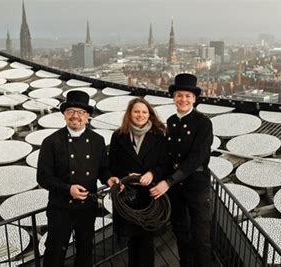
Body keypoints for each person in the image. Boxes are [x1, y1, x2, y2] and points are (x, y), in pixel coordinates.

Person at [37, 90, 114, 267]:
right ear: (64, 115)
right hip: (60, 208)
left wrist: (110, 180)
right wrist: (68, 189)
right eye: (70, 111)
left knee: (85, 250)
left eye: (80, 112)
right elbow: (43, 177)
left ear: (87, 116)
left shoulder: (97, 140)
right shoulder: (51, 141)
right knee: (55, 251)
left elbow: (103, 169)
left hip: (87, 208)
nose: (75, 116)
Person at [150, 73, 214, 267]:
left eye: (188, 96)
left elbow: (197, 158)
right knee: (181, 232)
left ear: (194, 99)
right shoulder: (170, 122)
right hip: (177, 189)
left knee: (201, 237)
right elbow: (168, 157)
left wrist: (168, 181)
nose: (183, 99)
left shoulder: (203, 123)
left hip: (196, 186)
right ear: (174, 98)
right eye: (179, 95)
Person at [106, 98, 168, 267]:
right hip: (128, 197)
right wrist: (126, 175)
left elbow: (164, 165)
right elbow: (112, 164)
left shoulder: (158, 135)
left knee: (147, 243)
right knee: (132, 243)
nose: (140, 115)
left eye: (144, 112)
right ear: (130, 114)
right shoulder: (118, 136)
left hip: (149, 198)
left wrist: (151, 173)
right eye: (136, 111)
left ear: (149, 115)